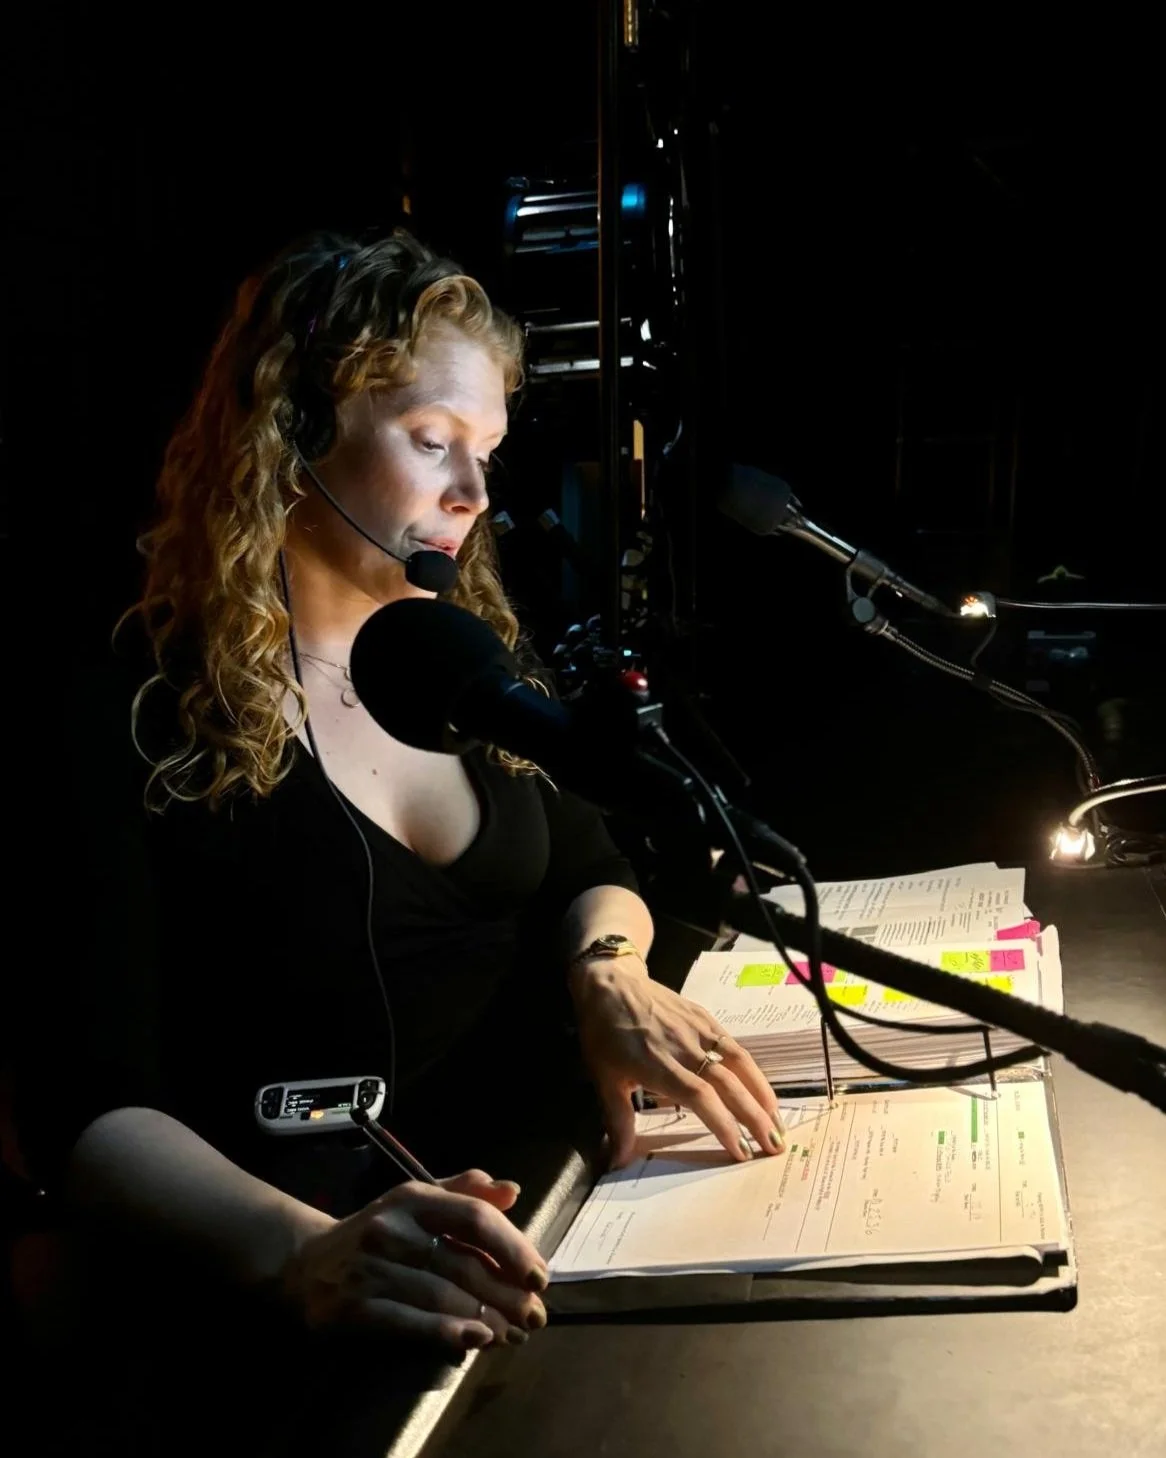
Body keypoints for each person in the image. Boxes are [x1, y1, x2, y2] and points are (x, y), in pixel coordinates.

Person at [15, 228, 786, 1366]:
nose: (473, 491)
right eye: (433, 442)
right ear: (293, 434)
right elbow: (79, 1108)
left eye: (487, 450)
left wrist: (605, 970)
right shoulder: (124, 712)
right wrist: (299, 1251)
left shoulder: (457, 662)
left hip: (531, 1247)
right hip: (258, 1315)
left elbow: (590, 864)